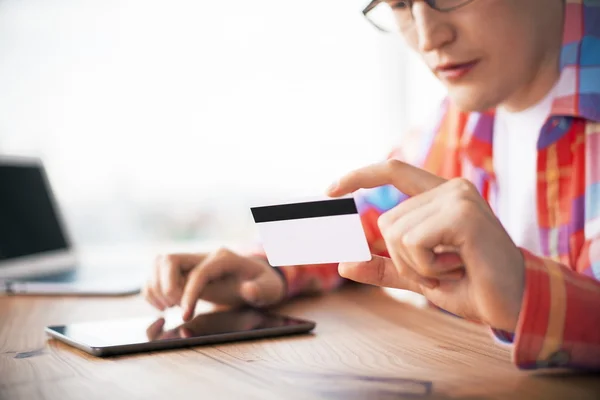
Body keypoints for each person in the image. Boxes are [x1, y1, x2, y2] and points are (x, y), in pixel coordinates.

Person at [143, 0, 600, 370]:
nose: (428, 37)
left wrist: (523, 297)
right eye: (400, 4)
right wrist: (264, 266)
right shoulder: (461, 112)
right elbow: (370, 218)